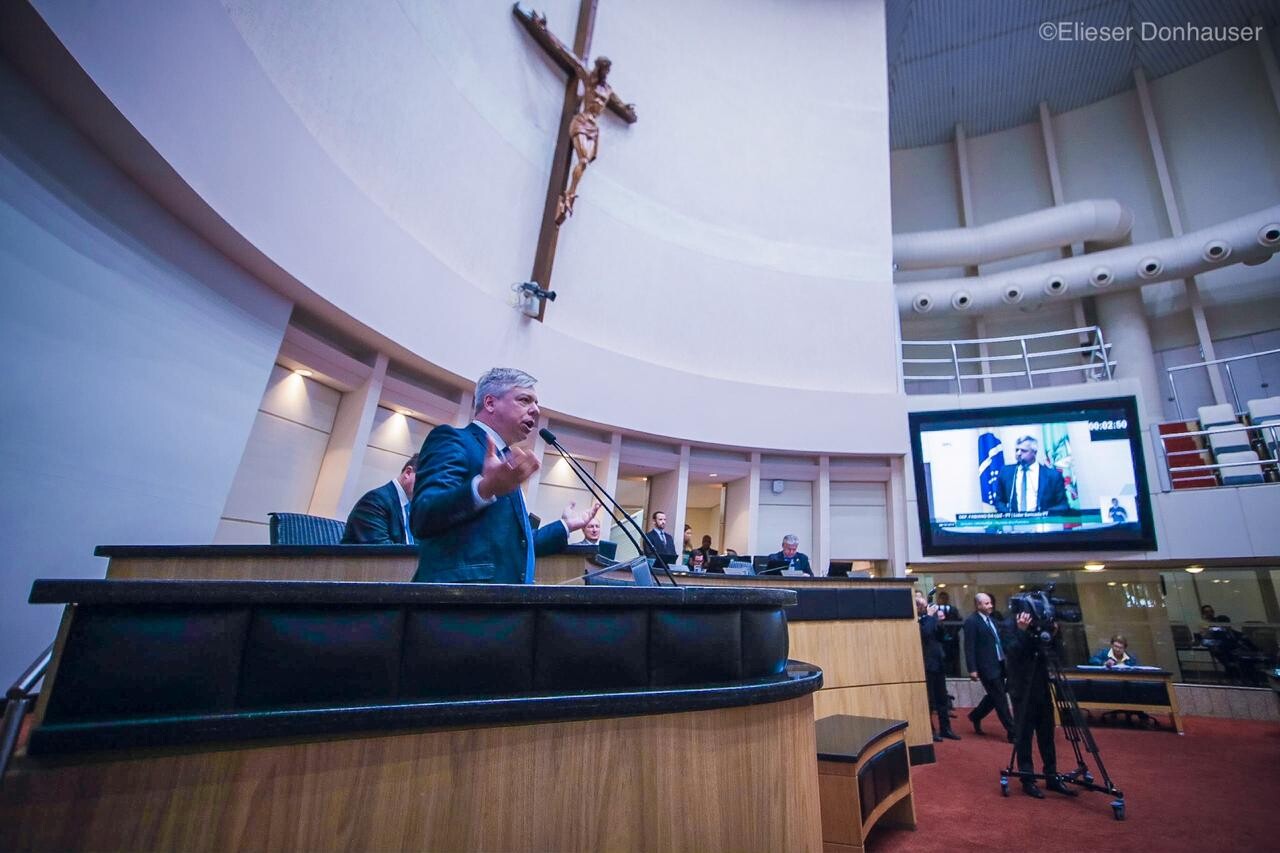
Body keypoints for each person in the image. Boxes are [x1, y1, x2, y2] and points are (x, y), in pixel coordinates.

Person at [409, 367, 599, 583]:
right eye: (525, 400)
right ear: (490, 403)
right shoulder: (454, 439)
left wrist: (566, 526)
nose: (536, 410)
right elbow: (422, 516)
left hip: (506, 605)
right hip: (460, 606)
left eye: (536, 404)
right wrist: (483, 488)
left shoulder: (506, 461)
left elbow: (518, 544)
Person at [1006, 610, 1076, 799]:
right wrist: (1021, 630)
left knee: (1047, 735)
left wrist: (1052, 635)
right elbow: (1012, 652)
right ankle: (1027, 779)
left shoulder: (1041, 629)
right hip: (1022, 691)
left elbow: (1055, 654)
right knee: (1024, 736)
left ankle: (1052, 776)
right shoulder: (1009, 626)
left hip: (1043, 688)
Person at [963, 593, 1015, 741]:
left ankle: (975, 715)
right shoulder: (972, 622)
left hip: (1001, 663)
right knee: (1000, 698)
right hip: (987, 666)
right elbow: (969, 647)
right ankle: (1012, 731)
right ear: (978, 605)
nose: (990, 606)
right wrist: (972, 669)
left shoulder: (992, 620)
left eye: (990, 603)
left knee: (995, 696)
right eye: (986, 604)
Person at [341, 456, 418, 544]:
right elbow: (382, 551)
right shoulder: (374, 502)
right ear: (408, 473)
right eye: (425, 480)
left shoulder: (412, 508)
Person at [916, 591, 960, 742]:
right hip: (925, 664)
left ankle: (946, 728)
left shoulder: (931, 619)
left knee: (942, 699)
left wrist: (938, 620)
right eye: (920, 605)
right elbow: (925, 634)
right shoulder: (917, 621)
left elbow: (942, 636)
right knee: (928, 700)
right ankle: (930, 730)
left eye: (924, 604)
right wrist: (929, 616)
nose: (923, 607)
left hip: (938, 661)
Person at [992, 436, 1069, 514]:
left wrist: (1043, 514)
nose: (1018, 453)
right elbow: (999, 501)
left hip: (1044, 522)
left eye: (1023, 451)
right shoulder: (1006, 472)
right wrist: (1010, 516)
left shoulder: (1052, 475)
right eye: (1017, 450)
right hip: (1014, 523)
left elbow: (1063, 505)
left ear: (1034, 452)